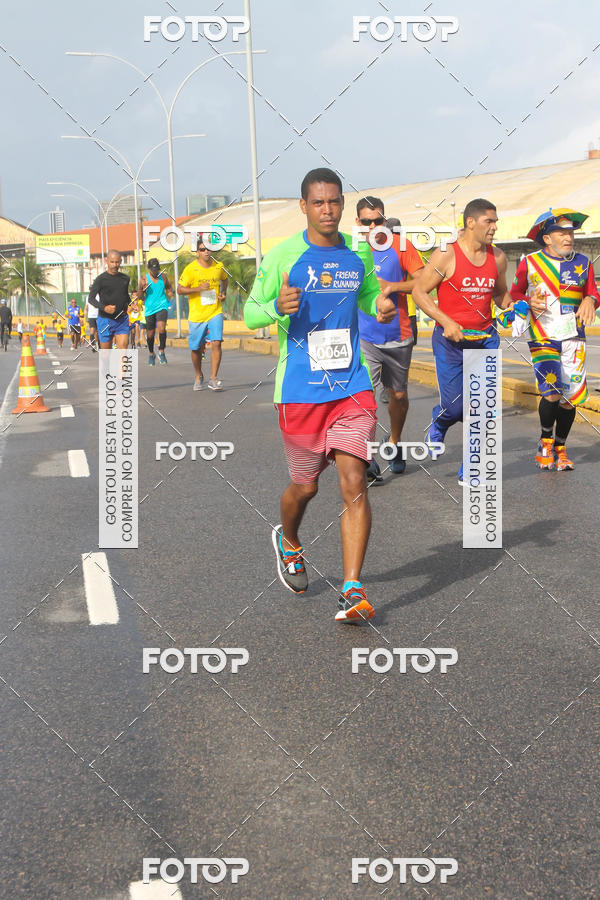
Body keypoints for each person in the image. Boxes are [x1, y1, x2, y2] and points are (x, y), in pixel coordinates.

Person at [244, 167, 396, 623]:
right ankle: (289, 539)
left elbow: (369, 295)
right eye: (319, 202)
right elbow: (252, 312)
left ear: (342, 204)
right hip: (300, 391)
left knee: (353, 478)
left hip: (350, 385)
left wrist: (380, 305)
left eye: (334, 202)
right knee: (306, 486)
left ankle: (352, 589)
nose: (328, 210)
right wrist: (276, 307)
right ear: (304, 206)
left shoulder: (356, 255)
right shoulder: (283, 256)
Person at [411, 198, 513, 483]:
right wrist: (446, 321)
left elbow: (500, 294)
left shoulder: (499, 257)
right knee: (455, 406)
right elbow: (419, 292)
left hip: (485, 340)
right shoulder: (446, 253)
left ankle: (471, 465)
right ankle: (440, 420)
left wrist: (515, 306)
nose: (494, 227)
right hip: (450, 342)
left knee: (482, 407)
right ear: (470, 222)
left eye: (495, 221)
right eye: (488, 221)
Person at [510, 209, 599, 470]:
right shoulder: (530, 263)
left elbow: (594, 292)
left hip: (574, 337)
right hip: (543, 336)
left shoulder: (584, 262)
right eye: (562, 232)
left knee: (569, 398)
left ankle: (561, 448)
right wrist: (527, 301)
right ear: (547, 238)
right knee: (551, 393)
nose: (569, 236)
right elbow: (514, 294)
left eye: (571, 232)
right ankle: (545, 442)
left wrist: (589, 299)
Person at [355, 198, 425, 478]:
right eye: (366, 221)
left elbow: (424, 281)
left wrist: (393, 286)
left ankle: (394, 443)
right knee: (365, 396)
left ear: (385, 220)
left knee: (398, 395)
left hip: (398, 333)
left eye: (378, 220)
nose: (373, 226)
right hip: (363, 336)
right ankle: (366, 454)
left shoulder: (402, 245)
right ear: (358, 222)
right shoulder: (350, 249)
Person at [178, 237, 228, 390]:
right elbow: (180, 290)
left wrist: (223, 292)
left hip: (215, 311)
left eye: (208, 249)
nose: (206, 252)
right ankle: (199, 375)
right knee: (196, 348)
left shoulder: (219, 266)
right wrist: (198, 289)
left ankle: (213, 378)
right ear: (197, 252)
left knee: (216, 342)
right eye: (202, 249)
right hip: (197, 315)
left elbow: (224, 280)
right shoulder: (190, 269)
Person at [87, 250, 131, 350]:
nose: (115, 265)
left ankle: (123, 366)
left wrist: (131, 304)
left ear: (120, 261)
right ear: (106, 261)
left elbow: (125, 296)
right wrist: (104, 308)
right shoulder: (100, 279)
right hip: (105, 320)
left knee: (124, 350)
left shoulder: (125, 278)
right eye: (112, 262)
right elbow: (91, 299)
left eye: (117, 262)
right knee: (106, 355)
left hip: (122, 319)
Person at [138, 257, 173, 365]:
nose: (155, 271)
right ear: (149, 269)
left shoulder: (163, 277)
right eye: (153, 270)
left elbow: (168, 287)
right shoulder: (144, 279)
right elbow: (140, 295)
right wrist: (142, 289)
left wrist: (170, 293)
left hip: (162, 305)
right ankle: (151, 353)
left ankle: (161, 352)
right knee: (150, 334)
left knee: (162, 328)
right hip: (149, 308)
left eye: (156, 269)